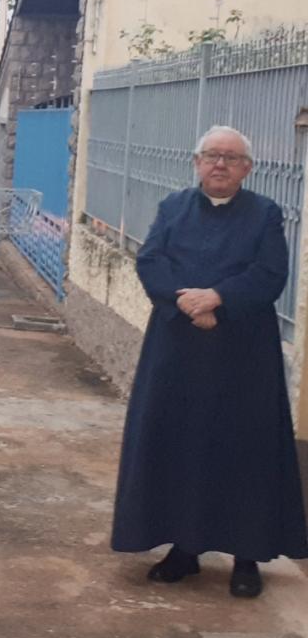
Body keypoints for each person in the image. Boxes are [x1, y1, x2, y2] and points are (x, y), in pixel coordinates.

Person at [112, 125, 308, 598]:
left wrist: (217, 298)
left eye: (231, 157)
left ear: (248, 168)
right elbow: (151, 261)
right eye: (212, 155)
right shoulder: (172, 208)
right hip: (178, 348)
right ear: (197, 162)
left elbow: (270, 273)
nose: (220, 164)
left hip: (243, 356)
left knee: (244, 451)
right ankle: (185, 549)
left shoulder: (264, 214)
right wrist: (188, 304)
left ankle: (246, 557)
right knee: (179, 444)